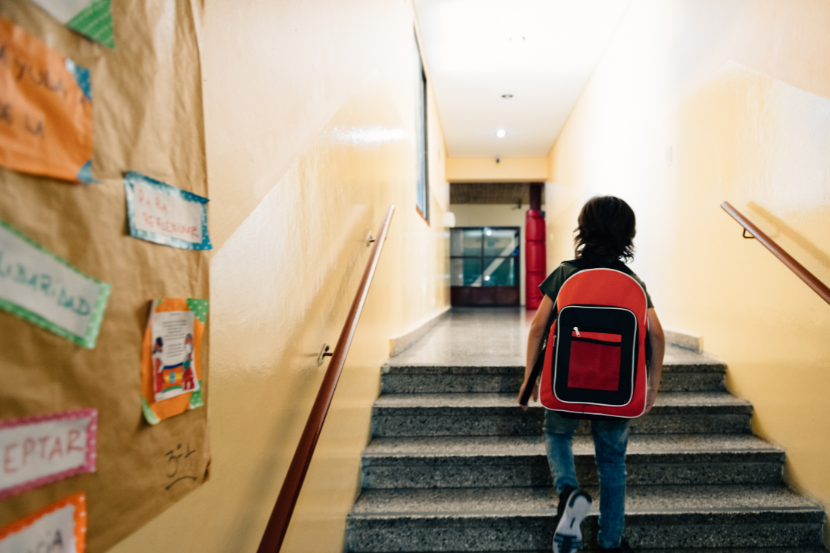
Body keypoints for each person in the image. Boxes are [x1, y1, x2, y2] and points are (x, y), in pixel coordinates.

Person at [517, 196, 665, 553]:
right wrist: (652, 382)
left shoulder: (567, 273)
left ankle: (568, 492)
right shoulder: (632, 281)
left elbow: (538, 328)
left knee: (556, 433)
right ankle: (611, 541)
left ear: (582, 230)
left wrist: (529, 377)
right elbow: (656, 334)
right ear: (627, 235)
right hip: (616, 387)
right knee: (612, 462)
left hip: (567, 381)